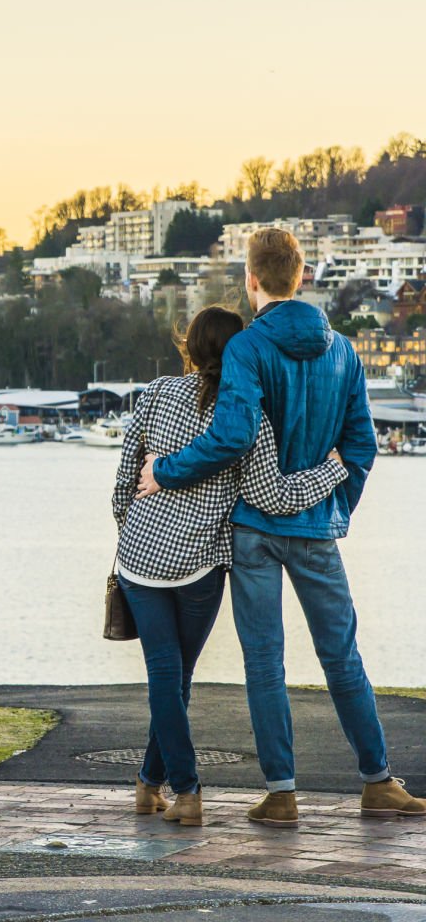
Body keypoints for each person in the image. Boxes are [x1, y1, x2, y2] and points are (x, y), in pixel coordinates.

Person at [136, 227, 424, 826]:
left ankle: (283, 793)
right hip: (318, 528)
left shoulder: (245, 349)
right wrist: (332, 506)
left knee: (264, 662)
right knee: (342, 656)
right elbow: (361, 446)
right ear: (304, 277)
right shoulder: (343, 351)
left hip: (253, 530)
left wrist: (165, 471)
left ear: (250, 279)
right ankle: (378, 781)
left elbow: (233, 436)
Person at [113, 305, 347, 827]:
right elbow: (275, 495)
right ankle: (184, 789)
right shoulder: (247, 414)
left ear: (188, 347)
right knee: (176, 676)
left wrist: (133, 527)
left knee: (165, 676)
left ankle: (154, 784)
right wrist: (331, 472)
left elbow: (123, 482)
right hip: (198, 563)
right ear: (243, 352)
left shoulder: (153, 395)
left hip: (139, 560)